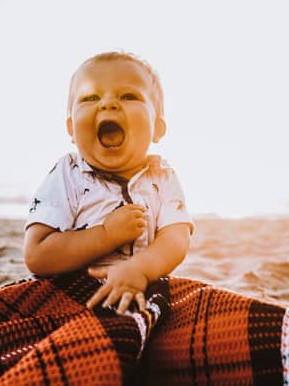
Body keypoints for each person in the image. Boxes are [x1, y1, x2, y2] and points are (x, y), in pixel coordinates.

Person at [23, 52, 194, 315]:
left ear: (157, 128)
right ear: (71, 128)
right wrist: (106, 235)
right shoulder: (68, 173)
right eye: (90, 98)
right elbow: (37, 254)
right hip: (70, 297)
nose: (108, 104)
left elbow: (176, 238)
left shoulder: (162, 175)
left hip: (142, 291)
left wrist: (141, 268)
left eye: (129, 96)